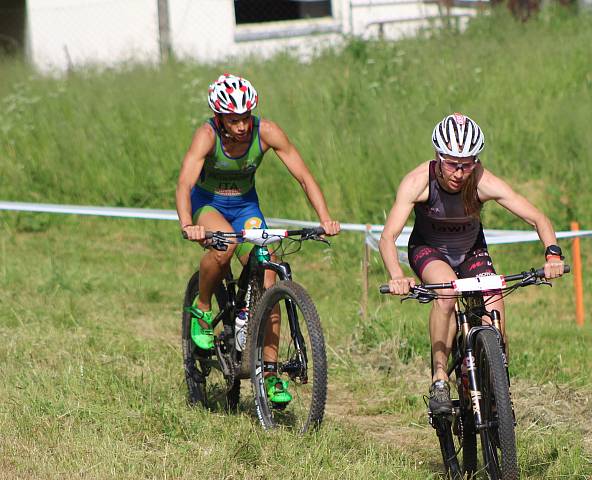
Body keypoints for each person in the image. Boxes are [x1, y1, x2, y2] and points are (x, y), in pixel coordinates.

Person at [378, 112, 564, 415]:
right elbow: (388, 237)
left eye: (467, 164)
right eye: (452, 163)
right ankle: (440, 378)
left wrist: (553, 253)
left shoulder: (482, 180)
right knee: (447, 294)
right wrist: (396, 274)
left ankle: (498, 387)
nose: (459, 172)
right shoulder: (417, 182)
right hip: (429, 250)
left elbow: (537, 217)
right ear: (438, 157)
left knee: (495, 300)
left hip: (471, 251)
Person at [176, 74, 340, 405]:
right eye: (234, 120)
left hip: (246, 208)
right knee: (225, 245)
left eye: (246, 117)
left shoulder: (267, 132)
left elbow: (304, 177)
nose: (241, 126)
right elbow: (183, 184)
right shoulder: (206, 136)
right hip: (207, 205)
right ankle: (203, 307)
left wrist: (324, 218)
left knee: (269, 274)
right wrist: (187, 223)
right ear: (220, 117)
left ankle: (270, 371)